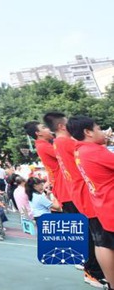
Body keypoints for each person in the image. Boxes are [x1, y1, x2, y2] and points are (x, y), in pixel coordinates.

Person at [46, 112, 107, 287]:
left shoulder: (58, 143)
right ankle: (92, 271)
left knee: (93, 235)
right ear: (62, 126)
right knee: (96, 236)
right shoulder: (65, 142)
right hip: (79, 192)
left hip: (73, 191)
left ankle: (92, 269)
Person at [69, 115, 114, 285]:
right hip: (110, 204)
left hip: (102, 205)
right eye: (98, 128)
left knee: (104, 244)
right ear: (88, 132)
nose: (102, 131)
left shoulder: (81, 150)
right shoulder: (96, 151)